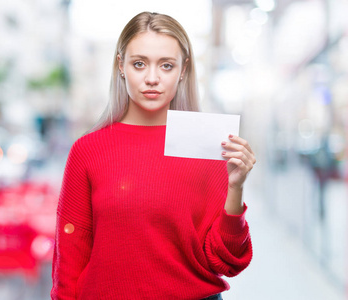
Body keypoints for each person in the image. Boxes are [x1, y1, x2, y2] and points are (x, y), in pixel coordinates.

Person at [51, 11, 256, 300]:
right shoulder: (88, 150)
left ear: (183, 70)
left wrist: (236, 188)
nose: (151, 78)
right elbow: (70, 257)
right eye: (139, 64)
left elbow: (227, 260)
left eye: (166, 66)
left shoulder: (209, 146)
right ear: (121, 66)